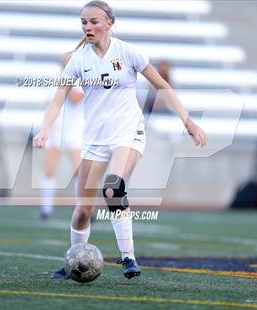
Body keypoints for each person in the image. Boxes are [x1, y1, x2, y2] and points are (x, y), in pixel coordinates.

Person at [33, 0, 207, 279]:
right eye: (84, 22)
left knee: (113, 189)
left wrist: (187, 120)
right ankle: (75, 260)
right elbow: (57, 102)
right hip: (94, 140)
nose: (88, 27)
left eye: (94, 22)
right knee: (82, 211)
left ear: (109, 24)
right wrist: (45, 129)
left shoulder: (128, 53)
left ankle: (128, 259)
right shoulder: (78, 60)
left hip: (128, 132)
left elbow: (162, 85)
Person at [39, 53, 85, 221]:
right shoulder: (56, 82)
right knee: (49, 170)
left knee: (80, 171)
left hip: (74, 130)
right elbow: (48, 104)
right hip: (57, 130)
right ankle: (46, 209)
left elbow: (75, 99)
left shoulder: (81, 82)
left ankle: (84, 209)